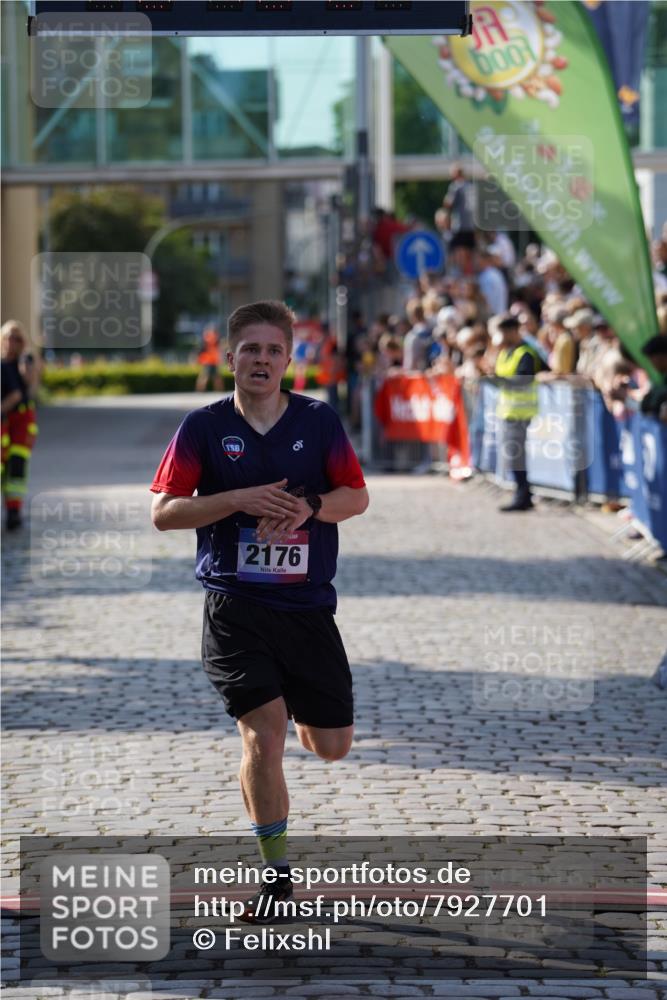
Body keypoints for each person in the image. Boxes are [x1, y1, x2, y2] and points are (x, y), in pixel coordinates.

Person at [149, 299, 369, 922]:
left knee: (331, 746)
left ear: (289, 359)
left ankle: (294, 702)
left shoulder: (318, 421)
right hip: (235, 607)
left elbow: (357, 497)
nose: (262, 360)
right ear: (230, 357)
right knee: (263, 736)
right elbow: (164, 513)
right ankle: (276, 879)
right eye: (251, 349)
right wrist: (236, 497)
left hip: (306, 608)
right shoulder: (203, 426)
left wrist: (311, 507)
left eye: (274, 350)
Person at [489, 313, 544, 512]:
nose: (501, 338)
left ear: (513, 331)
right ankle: (523, 494)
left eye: (503, 333)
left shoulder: (526, 353)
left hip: (521, 412)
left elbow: (523, 381)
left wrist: (497, 380)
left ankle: (522, 495)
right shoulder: (505, 353)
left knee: (515, 455)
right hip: (507, 411)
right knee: (513, 455)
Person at [1, 320, 41, 531]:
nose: (12, 342)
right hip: (4, 420)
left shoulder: (24, 361)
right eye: (8, 337)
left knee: (16, 467)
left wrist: (26, 361)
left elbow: (29, 385)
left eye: (17, 339)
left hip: (21, 420)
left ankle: (14, 512)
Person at [196, 326, 223, 392]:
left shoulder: (207, 339)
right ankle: (200, 391)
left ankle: (200, 391)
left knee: (212, 377)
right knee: (207, 377)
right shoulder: (212, 339)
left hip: (210, 361)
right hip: (209, 361)